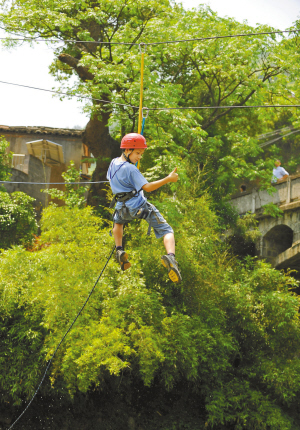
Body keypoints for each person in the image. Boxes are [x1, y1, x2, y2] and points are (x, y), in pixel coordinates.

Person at [107, 133, 182, 283]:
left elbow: (112, 180)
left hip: (121, 207)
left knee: (118, 223)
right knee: (167, 230)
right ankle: (171, 258)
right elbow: (147, 187)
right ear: (127, 150)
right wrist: (168, 179)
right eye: (137, 153)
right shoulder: (131, 169)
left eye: (141, 153)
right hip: (138, 207)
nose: (140, 157)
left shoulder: (113, 163)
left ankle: (119, 249)